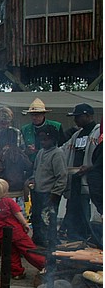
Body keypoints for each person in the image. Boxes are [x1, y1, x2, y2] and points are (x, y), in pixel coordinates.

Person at [0, 178, 45, 280]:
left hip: (3, 235)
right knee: (29, 250)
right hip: (16, 232)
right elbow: (18, 214)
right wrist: (25, 224)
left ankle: (17, 273)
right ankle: (44, 265)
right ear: (5, 191)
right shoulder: (9, 202)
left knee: (11, 255)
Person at [60, 103, 101, 243]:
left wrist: (89, 167)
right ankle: (75, 241)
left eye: (78, 117)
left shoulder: (98, 133)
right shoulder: (76, 135)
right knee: (73, 213)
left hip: (91, 183)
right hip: (75, 181)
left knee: (88, 214)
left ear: (88, 116)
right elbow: (63, 151)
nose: (75, 120)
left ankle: (93, 241)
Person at [27, 125, 67, 248]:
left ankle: (50, 242)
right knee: (37, 218)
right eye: (41, 140)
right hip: (38, 192)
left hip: (50, 194)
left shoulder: (57, 154)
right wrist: (33, 181)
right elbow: (35, 170)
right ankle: (38, 240)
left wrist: (55, 194)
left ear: (53, 139)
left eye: (45, 139)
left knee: (48, 219)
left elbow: (62, 176)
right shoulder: (40, 152)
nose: (43, 142)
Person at [0, 128, 33, 214]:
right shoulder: (21, 153)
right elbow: (29, 167)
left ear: (1, 139)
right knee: (20, 214)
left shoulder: (0, 154)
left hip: (5, 190)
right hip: (20, 189)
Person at [21, 98, 67, 163]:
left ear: (43, 114)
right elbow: (20, 150)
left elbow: (63, 146)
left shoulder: (57, 126)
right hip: (30, 164)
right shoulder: (24, 129)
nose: (34, 117)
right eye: (32, 115)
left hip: (51, 163)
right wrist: (26, 151)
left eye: (37, 115)